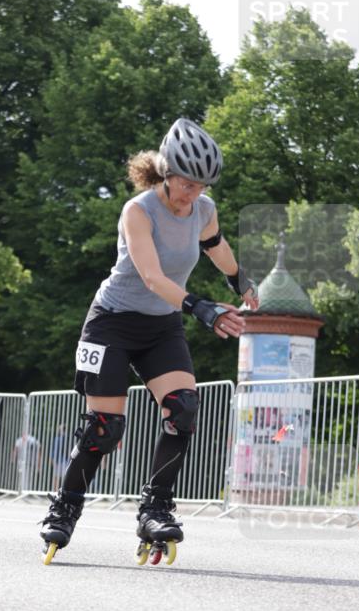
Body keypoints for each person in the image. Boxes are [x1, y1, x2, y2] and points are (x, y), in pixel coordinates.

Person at [40, 118, 259, 563]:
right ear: (167, 171)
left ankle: (155, 509)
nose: (193, 195)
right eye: (187, 184)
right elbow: (152, 276)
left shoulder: (202, 209)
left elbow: (215, 244)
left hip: (160, 327)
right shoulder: (138, 211)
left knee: (183, 411)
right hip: (112, 324)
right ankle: (64, 509)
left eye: (202, 187)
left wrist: (238, 280)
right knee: (104, 430)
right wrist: (202, 307)